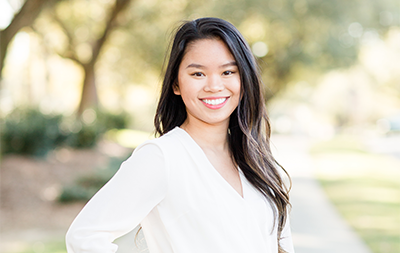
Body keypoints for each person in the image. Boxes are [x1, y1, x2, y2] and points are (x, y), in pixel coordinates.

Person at [66, 17, 294, 253]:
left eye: (228, 72)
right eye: (198, 74)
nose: (214, 86)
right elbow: (84, 237)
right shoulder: (163, 157)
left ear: (244, 80)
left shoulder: (258, 160)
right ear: (176, 84)